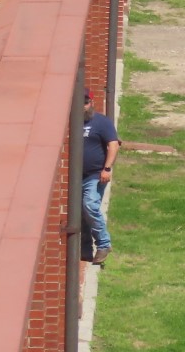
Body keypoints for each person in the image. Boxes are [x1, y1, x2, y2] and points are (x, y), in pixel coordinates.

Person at [81, 89, 120, 265]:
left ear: (92, 103)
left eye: (85, 102)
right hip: (74, 177)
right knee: (79, 213)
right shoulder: (70, 121)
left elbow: (113, 145)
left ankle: (104, 244)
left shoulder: (101, 122)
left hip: (95, 175)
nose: (83, 106)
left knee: (90, 205)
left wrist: (107, 168)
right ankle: (84, 249)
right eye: (79, 103)